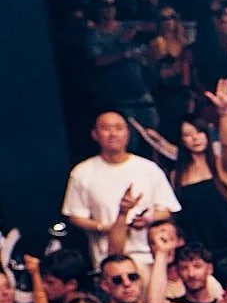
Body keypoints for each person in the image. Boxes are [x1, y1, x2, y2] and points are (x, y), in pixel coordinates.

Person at [62, 113, 181, 269]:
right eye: (106, 129)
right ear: (95, 134)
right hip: (107, 260)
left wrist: (148, 219)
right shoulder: (82, 172)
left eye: (118, 128)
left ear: (128, 133)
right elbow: (75, 215)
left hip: (149, 256)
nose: (113, 134)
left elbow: (167, 209)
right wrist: (104, 226)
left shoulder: (148, 168)